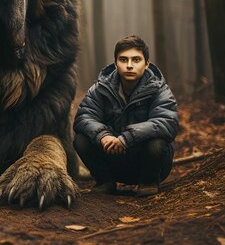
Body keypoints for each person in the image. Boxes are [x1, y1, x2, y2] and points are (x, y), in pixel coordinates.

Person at [74, 35, 179, 196]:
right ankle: (105, 181)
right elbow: (84, 117)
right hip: (112, 158)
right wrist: (103, 136)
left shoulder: (160, 90)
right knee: (81, 139)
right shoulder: (100, 88)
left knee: (158, 142)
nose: (129, 65)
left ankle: (148, 183)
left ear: (147, 64)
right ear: (115, 63)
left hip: (147, 162)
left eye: (136, 60)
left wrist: (127, 138)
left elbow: (167, 123)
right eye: (123, 60)